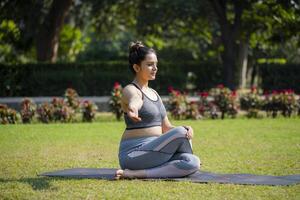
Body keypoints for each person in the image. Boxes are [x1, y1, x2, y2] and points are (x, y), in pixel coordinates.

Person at [116, 41, 201, 179]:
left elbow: (166, 128)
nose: (155, 68)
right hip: (134, 154)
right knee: (180, 132)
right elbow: (135, 100)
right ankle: (134, 170)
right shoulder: (130, 89)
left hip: (157, 152)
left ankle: (137, 174)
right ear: (137, 68)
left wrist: (186, 129)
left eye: (156, 64)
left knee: (193, 162)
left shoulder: (154, 94)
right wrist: (132, 109)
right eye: (149, 65)